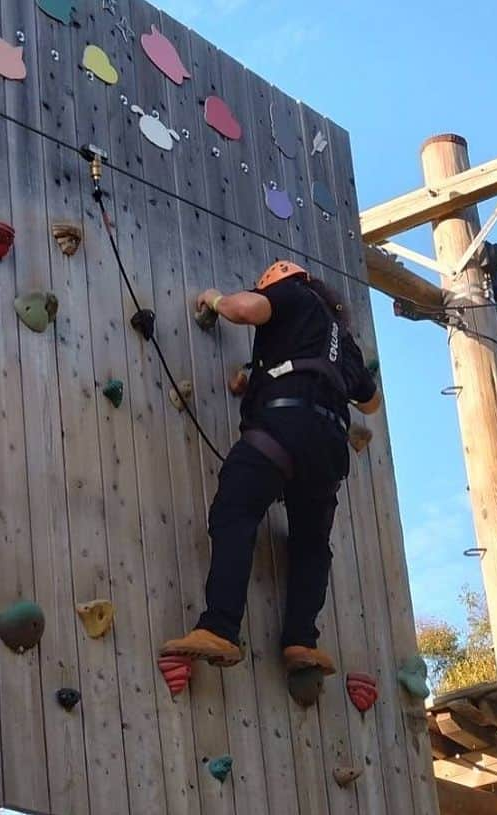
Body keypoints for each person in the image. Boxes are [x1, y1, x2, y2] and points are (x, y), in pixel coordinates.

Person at [160, 260, 381, 677]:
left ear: (275, 283)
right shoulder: (342, 339)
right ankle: (301, 642)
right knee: (311, 543)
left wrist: (214, 299)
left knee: (235, 511)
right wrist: (257, 377)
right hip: (329, 445)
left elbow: (245, 311)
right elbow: (370, 403)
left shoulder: (293, 293)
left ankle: (220, 627)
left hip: (282, 428)